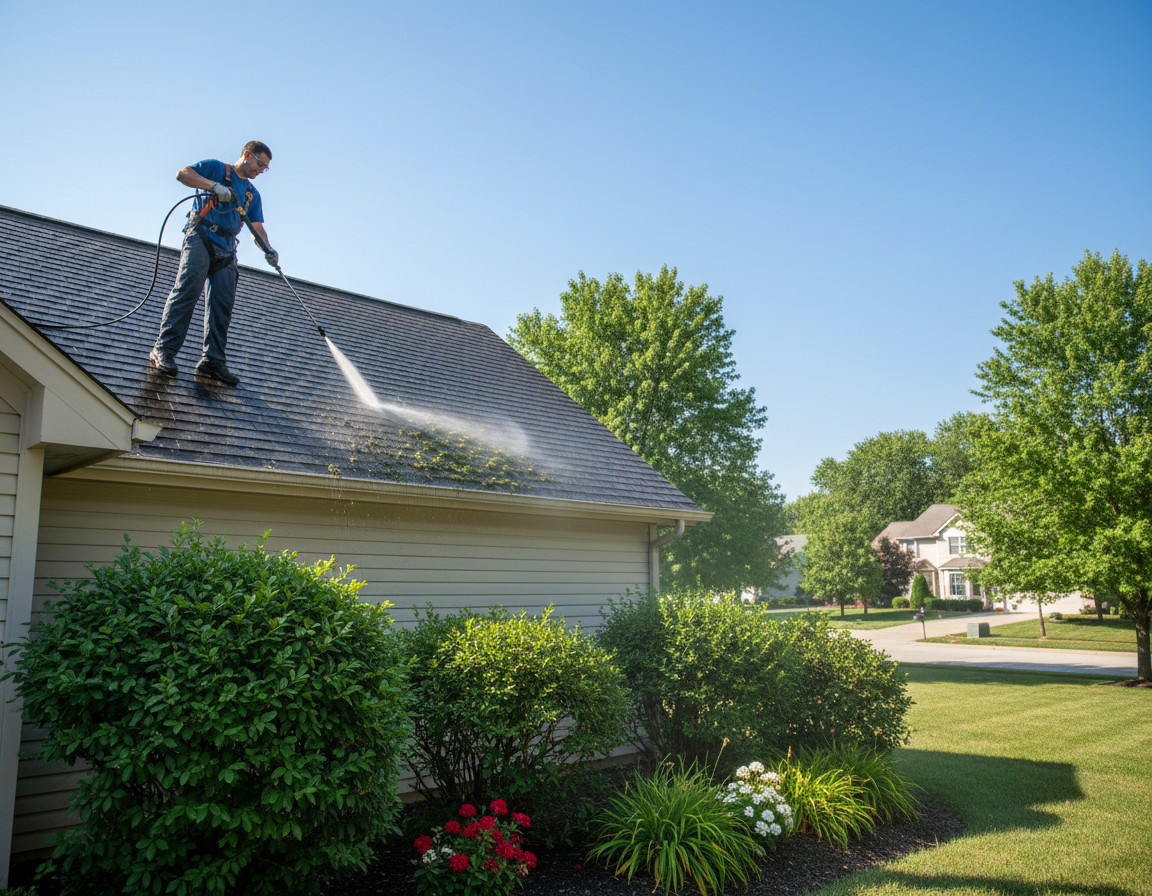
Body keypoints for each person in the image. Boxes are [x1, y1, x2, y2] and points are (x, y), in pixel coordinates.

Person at [149, 141, 278, 386]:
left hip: (228, 249)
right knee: (187, 291)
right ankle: (163, 350)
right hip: (202, 237)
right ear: (247, 155)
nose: (262, 169)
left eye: (266, 168)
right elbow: (183, 174)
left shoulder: (253, 194)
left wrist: (269, 250)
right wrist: (213, 186)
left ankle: (213, 362)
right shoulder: (217, 168)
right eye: (260, 163)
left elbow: (257, 228)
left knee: (222, 306)